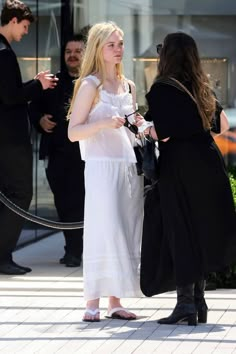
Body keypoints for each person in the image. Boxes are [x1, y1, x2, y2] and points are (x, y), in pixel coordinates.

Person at [141, 32, 236, 325]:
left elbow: (164, 132)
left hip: (179, 167)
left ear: (167, 56)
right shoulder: (202, 86)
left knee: (180, 232)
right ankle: (198, 303)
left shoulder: (161, 89)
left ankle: (186, 305)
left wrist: (145, 129)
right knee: (198, 231)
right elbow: (222, 126)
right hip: (208, 163)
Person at [68, 22, 144, 322]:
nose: (118, 49)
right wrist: (102, 123)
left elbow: (134, 123)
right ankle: (92, 302)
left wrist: (140, 124)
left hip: (129, 166)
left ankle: (115, 301)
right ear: (98, 48)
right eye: (112, 44)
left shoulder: (128, 85)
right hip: (101, 168)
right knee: (102, 230)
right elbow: (73, 133)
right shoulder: (89, 85)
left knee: (125, 230)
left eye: (121, 43)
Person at [0, 0, 57, 275]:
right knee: (21, 193)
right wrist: (39, 85)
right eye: (23, 27)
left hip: (6, 140)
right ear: (12, 21)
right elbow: (11, 97)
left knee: (11, 195)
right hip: (9, 141)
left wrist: (33, 83)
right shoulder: (4, 53)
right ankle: (2, 255)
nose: (24, 33)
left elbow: (7, 93)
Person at [29, 34, 86, 267]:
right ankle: (72, 249)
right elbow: (31, 110)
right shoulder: (51, 82)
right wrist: (40, 120)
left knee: (84, 204)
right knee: (63, 204)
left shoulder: (94, 82)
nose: (72, 55)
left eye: (77, 51)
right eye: (68, 51)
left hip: (87, 157)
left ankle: (81, 250)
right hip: (58, 156)